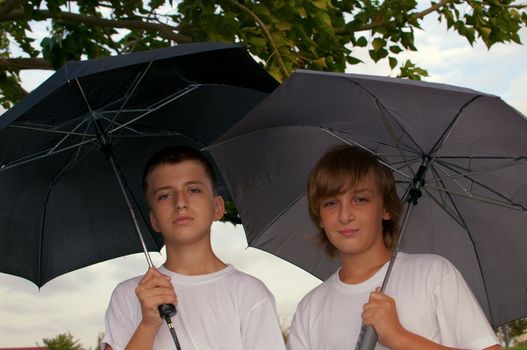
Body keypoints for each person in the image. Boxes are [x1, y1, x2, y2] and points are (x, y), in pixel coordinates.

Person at [287, 145, 500, 350]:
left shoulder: (433, 274)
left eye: (360, 199)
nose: (344, 216)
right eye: (331, 203)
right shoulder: (310, 308)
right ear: (320, 218)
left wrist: (400, 339)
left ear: (386, 208)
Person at [102, 145, 285, 350]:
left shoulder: (250, 293)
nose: (180, 203)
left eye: (193, 190)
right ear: (153, 220)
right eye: (164, 195)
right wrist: (148, 324)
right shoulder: (130, 295)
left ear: (217, 208)